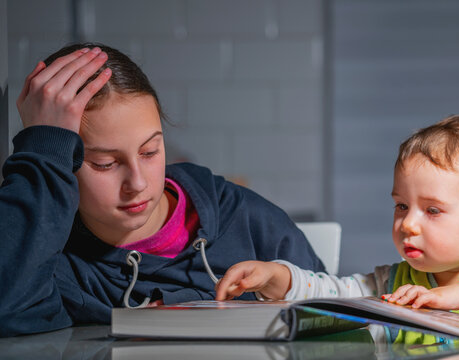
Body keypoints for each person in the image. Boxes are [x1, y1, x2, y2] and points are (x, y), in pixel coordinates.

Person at [0, 43, 325, 337]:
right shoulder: (49, 256)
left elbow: (335, 311)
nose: (138, 184)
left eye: (150, 152)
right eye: (104, 164)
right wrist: (42, 152)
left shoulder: (243, 217)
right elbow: (9, 313)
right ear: (63, 165)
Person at [215, 115, 459, 327]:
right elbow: (330, 293)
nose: (408, 224)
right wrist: (276, 277)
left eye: (433, 210)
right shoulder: (391, 283)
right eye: (401, 206)